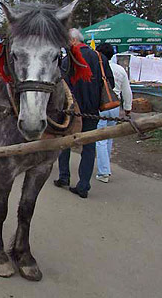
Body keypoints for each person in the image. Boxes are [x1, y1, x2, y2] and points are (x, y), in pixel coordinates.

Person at [53, 28, 115, 199]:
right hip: (92, 110)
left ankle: (64, 177)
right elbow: (111, 82)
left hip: (71, 111)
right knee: (89, 147)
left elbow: (60, 87)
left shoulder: (67, 61)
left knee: (65, 142)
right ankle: (83, 186)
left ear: (72, 41)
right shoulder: (100, 58)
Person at [94, 43, 133, 183]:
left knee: (100, 139)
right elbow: (127, 91)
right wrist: (128, 107)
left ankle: (104, 171)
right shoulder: (120, 69)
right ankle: (105, 165)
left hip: (101, 107)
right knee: (109, 137)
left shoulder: (97, 68)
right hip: (115, 106)